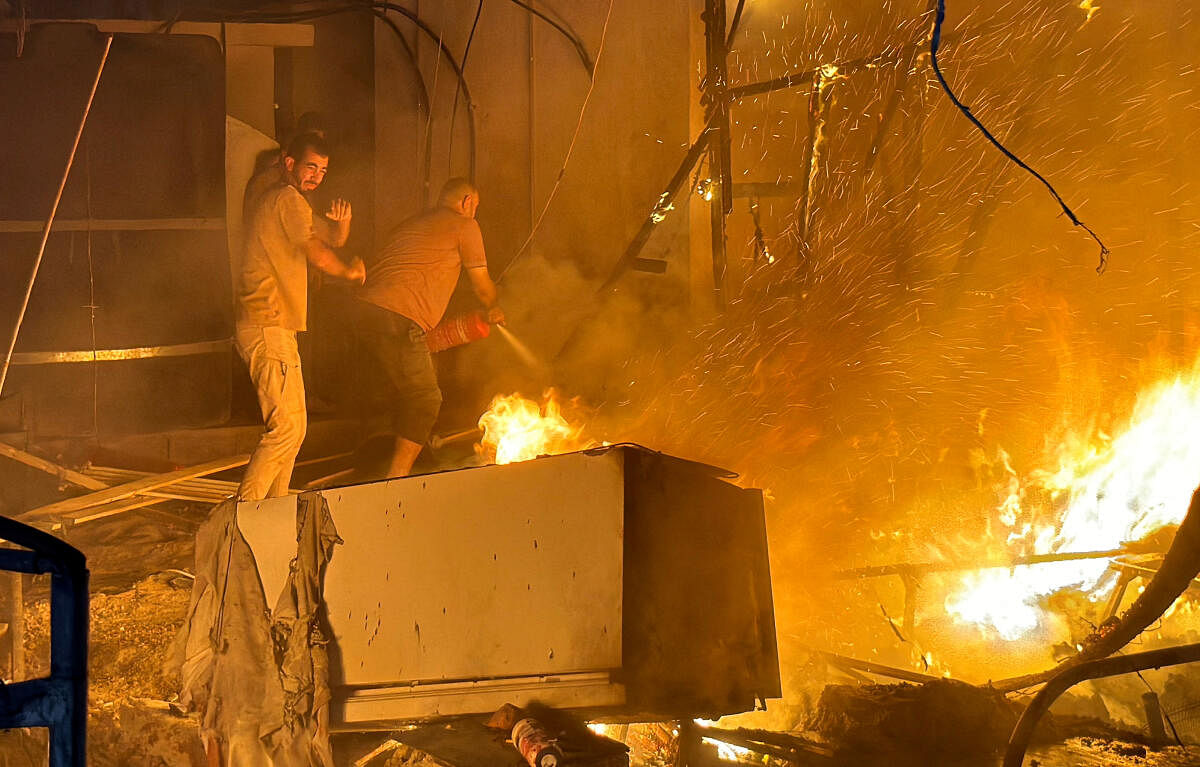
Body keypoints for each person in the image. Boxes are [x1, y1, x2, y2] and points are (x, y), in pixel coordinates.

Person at [236, 132, 365, 501]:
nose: (317, 176)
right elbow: (315, 250)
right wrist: (349, 273)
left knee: (296, 427)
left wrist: (343, 224)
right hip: (266, 322)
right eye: (311, 166)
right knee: (286, 429)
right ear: (289, 163)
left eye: (323, 170)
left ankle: (273, 513)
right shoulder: (284, 197)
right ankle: (245, 515)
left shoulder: (287, 201)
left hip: (276, 324)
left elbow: (329, 238)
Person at [357, 177, 504, 478]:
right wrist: (494, 307)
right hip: (397, 317)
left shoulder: (416, 223)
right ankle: (394, 480)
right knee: (425, 397)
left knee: (399, 386)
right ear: (466, 202)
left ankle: (373, 458)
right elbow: (482, 285)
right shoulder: (464, 225)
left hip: (363, 311)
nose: (475, 212)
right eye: (475, 206)